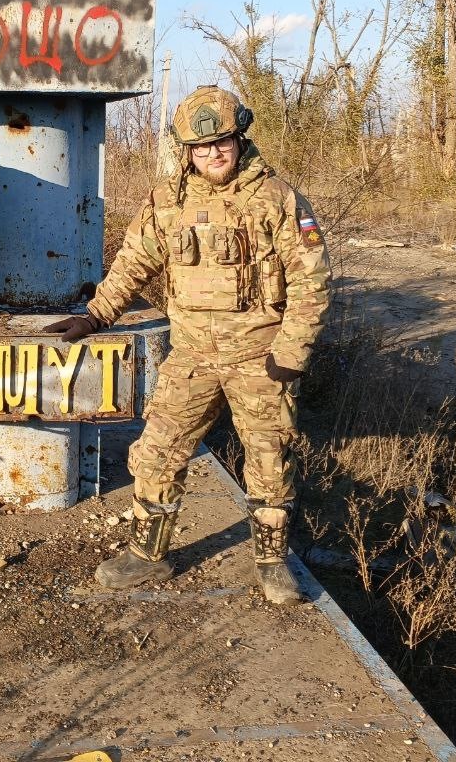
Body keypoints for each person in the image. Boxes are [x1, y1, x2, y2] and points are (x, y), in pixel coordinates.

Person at [45, 85, 331, 604]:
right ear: (187, 151)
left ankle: (271, 562)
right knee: (156, 451)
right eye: (201, 148)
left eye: (221, 142)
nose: (213, 154)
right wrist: (94, 316)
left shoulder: (276, 199)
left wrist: (291, 353)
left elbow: (312, 282)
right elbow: (134, 263)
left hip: (260, 356)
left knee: (270, 457)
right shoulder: (168, 201)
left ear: (239, 139)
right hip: (194, 354)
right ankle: (148, 555)